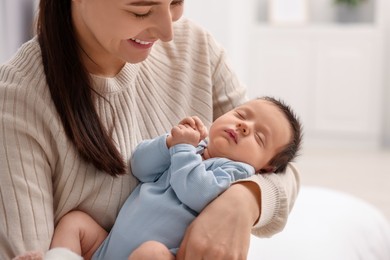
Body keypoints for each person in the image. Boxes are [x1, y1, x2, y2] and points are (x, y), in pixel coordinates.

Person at [0, 0, 300, 259]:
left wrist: (243, 202)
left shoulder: (195, 46)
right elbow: (141, 165)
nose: (168, 31)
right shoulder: (19, 101)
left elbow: (283, 172)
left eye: (176, 3)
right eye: (141, 11)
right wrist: (174, 145)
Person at [41, 96, 303, 260]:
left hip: (158, 254)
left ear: (265, 169)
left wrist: (182, 149)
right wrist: (169, 142)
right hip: (104, 249)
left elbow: (196, 192)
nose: (245, 126)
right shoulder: (193, 147)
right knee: (75, 222)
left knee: (151, 253)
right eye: (241, 115)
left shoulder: (235, 173)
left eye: (258, 137)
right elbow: (140, 167)